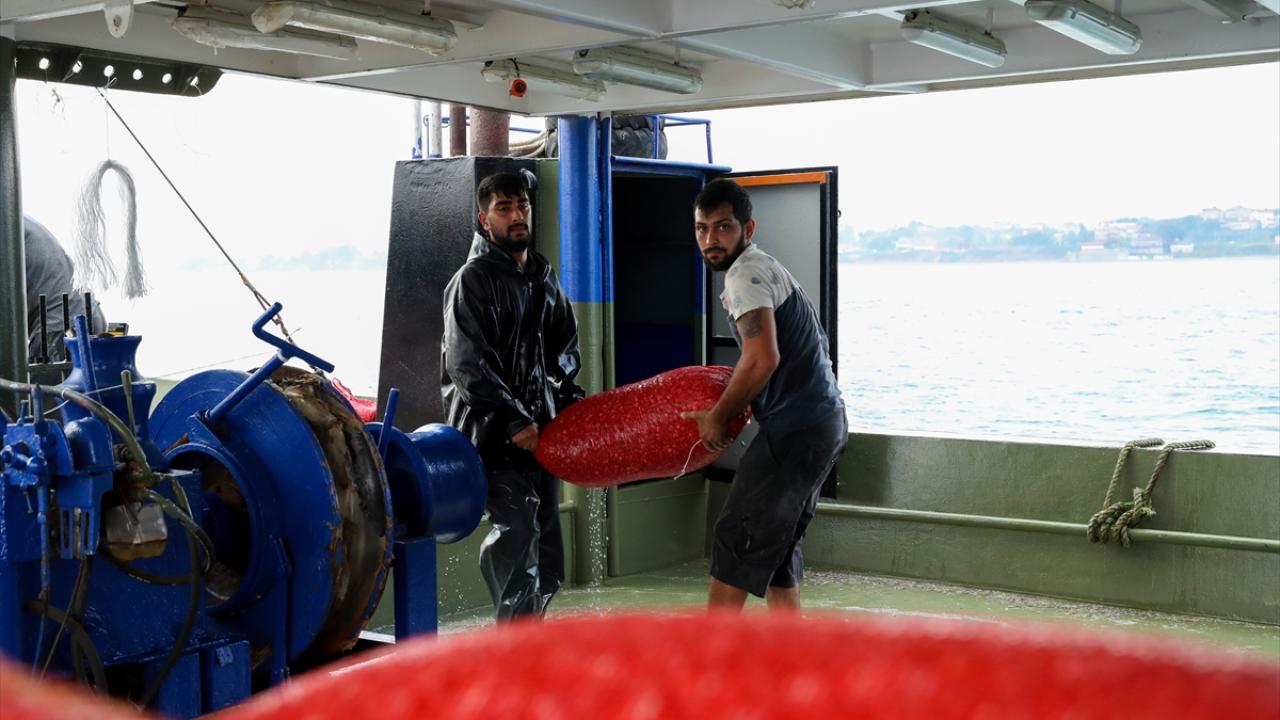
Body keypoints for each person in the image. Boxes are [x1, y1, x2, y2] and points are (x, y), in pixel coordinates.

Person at [682, 178, 847, 613]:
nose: (710, 239)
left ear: (747, 228)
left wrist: (718, 417)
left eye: (723, 228)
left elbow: (761, 359)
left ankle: (711, 667)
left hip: (797, 429)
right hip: (822, 422)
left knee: (736, 538)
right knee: (776, 549)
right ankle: (791, 660)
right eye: (702, 228)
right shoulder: (766, 266)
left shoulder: (745, 276)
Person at [441, 172, 585, 621]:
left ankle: (530, 636)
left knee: (549, 552)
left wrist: (564, 398)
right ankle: (515, 647)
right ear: (485, 220)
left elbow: (566, 345)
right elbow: (468, 364)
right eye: (504, 208)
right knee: (515, 533)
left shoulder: (541, 273)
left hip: (541, 432)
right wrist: (513, 420)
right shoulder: (471, 281)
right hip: (492, 435)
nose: (517, 214)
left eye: (521, 205)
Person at [24, 216, 106, 364]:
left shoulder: (9, 224)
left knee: (47, 387)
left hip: (61, 328)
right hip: (85, 316)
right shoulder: (18, 221)